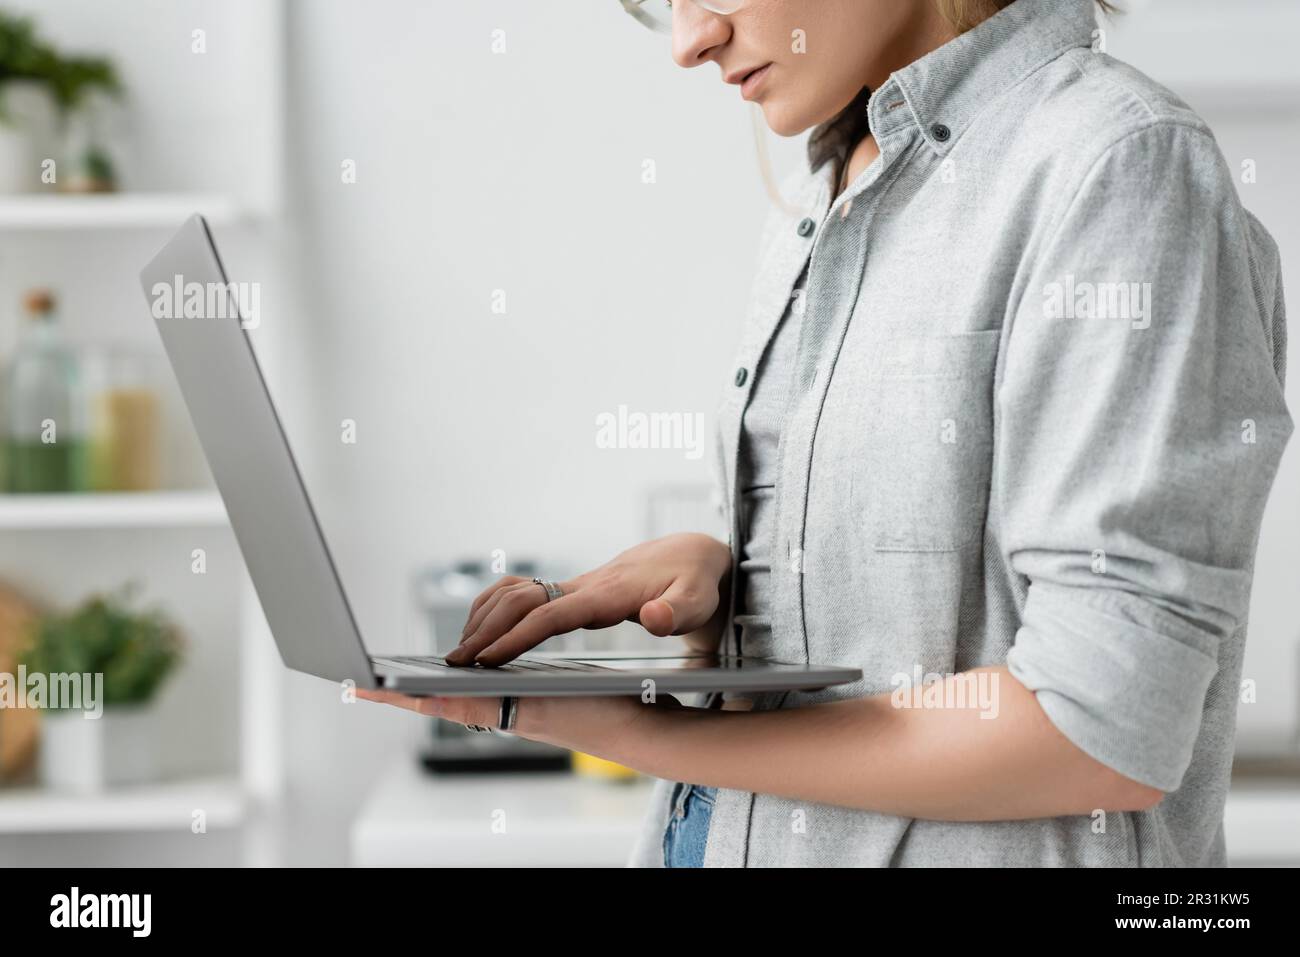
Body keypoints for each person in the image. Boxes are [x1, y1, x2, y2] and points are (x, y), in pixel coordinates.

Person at [360, 0, 1292, 868]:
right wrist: (737, 587)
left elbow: (1099, 730)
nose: (690, 38)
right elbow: (935, 611)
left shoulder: (1114, 164)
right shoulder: (834, 180)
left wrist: (643, 731)